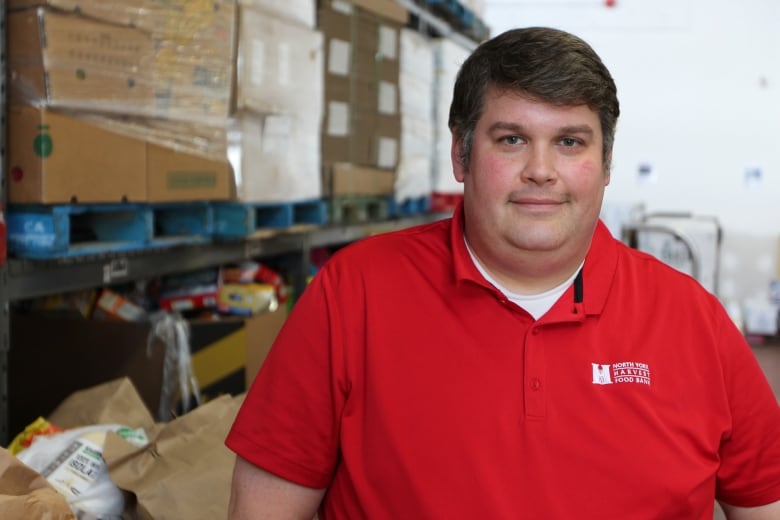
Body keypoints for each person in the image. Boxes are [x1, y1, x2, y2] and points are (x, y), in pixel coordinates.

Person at [225, 27, 780, 519]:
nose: (540, 171)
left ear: (606, 165)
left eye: (569, 142)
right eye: (511, 139)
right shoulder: (355, 293)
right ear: (461, 157)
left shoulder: (692, 320)